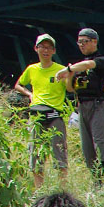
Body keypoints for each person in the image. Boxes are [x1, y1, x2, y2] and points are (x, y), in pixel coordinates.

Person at [56, 27, 104, 177]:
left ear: (94, 42)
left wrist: (68, 69)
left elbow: (89, 65)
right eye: (79, 42)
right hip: (82, 106)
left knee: (100, 141)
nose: (81, 45)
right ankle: (96, 179)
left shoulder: (101, 61)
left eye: (85, 42)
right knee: (87, 147)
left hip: (98, 104)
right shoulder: (78, 67)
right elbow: (70, 88)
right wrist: (70, 74)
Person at [14, 33, 68, 183]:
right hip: (36, 116)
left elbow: (70, 88)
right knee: (36, 156)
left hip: (55, 116)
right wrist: (29, 94)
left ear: (54, 51)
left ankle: (62, 191)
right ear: (36, 49)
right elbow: (18, 84)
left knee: (60, 156)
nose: (45, 50)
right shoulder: (32, 69)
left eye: (49, 48)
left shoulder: (61, 70)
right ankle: (39, 191)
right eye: (42, 47)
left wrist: (70, 75)